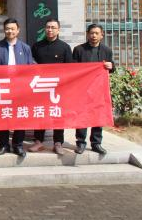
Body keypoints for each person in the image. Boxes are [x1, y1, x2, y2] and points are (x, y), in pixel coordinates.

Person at [29, 18, 73, 155]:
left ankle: (58, 142)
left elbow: (70, 68)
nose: (50, 30)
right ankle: (38, 141)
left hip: (58, 88)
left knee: (58, 114)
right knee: (40, 113)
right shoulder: (37, 46)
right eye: (48, 27)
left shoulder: (65, 47)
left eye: (53, 27)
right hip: (41, 87)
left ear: (58, 30)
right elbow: (30, 64)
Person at [0, 18, 35, 157]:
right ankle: (3, 144)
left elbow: (30, 67)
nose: (10, 31)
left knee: (20, 116)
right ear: (4, 30)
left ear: (18, 30)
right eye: (7, 28)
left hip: (20, 88)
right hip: (3, 88)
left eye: (12, 28)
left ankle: (18, 145)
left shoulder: (25, 48)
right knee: (4, 116)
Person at [73, 23, 115, 155]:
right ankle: (80, 142)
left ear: (102, 35)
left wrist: (111, 66)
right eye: (91, 33)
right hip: (82, 89)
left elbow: (112, 67)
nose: (94, 36)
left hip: (99, 89)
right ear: (87, 34)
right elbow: (73, 68)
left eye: (97, 33)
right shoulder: (79, 49)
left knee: (98, 115)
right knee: (82, 116)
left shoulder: (106, 50)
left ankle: (96, 143)